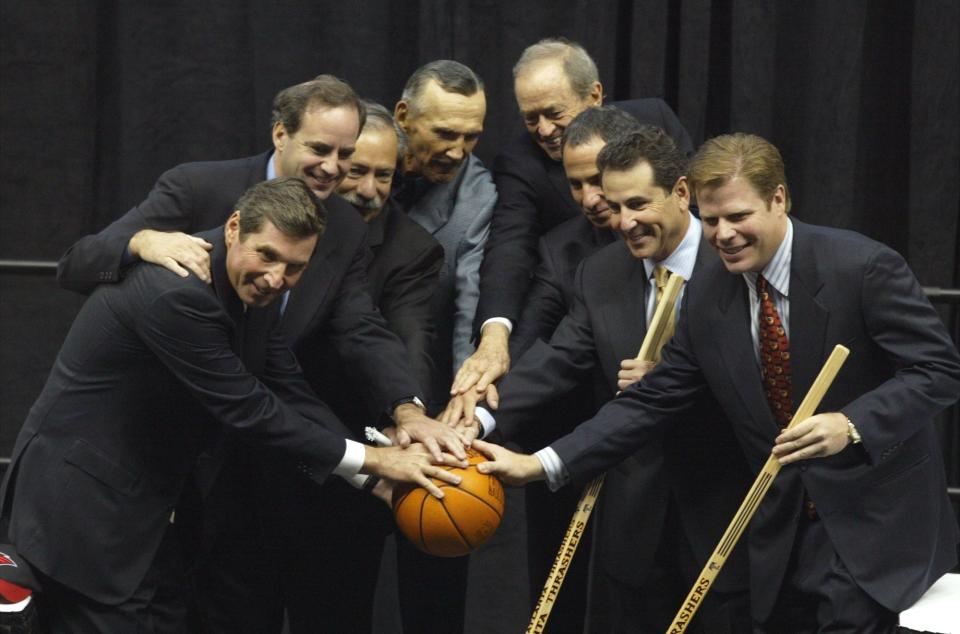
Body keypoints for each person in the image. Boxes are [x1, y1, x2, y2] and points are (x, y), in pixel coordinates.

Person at [475, 133, 960, 633]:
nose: (724, 234)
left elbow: (939, 370)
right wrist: (540, 463)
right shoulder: (707, 292)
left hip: (871, 522)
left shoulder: (861, 267)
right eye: (711, 221)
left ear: (779, 199)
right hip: (778, 530)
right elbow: (651, 401)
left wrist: (851, 423)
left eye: (738, 216)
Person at [53, 75, 466, 632]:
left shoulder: (340, 221)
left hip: (284, 454)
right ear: (280, 134)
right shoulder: (198, 187)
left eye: (346, 153)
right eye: (320, 149)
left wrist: (406, 411)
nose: (334, 167)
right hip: (172, 466)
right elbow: (76, 264)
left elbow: (356, 330)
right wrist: (139, 242)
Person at [451, 127, 751, 633]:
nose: (625, 222)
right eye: (615, 207)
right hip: (635, 526)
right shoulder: (600, 272)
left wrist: (676, 377)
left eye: (638, 204)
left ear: (681, 193)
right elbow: (558, 361)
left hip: (724, 516)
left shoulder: (736, 260)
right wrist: (475, 421)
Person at [261, 101, 444, 633]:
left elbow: (405, 337)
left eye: (382, 175)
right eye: (355, 170)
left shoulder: (411, 249)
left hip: (351, 467)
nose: (366, 188)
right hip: (251, 455)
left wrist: (409, 413)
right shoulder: (262, 220)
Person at [457, 37, 694, 401]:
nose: (545, 130)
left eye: (554, 113)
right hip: (594, 307)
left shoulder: (653, 120)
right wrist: (494, 339)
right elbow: (510, 249)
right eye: (530, 118)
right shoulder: (521, 163)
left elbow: (698, 199)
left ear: (595, 95)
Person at [389, 59, 497, 634]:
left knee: (435, 576)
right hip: (338, 393)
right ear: (405, 117)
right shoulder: (358, 156)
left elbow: (469, 299)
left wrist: (459, 407)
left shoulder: (477, 191)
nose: (459, 150)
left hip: (430, 388)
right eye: (445, 134)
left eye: (472, 135)